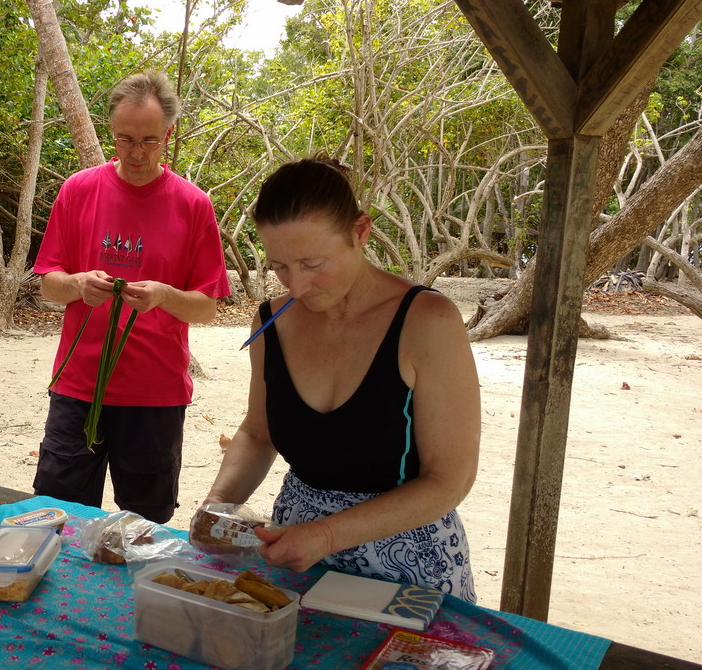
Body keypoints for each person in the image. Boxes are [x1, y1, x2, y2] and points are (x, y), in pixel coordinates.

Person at [201, 155, 480, 601]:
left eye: (312, 263)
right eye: (279, 267)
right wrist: (217, 507)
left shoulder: (428, 321)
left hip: (408, 557)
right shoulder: (270, 321)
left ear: (360, 232)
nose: (297, 287)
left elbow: (450, 481)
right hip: (295, 548)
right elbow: (257, 435)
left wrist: (327, 535)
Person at [32, 70, 231, 524]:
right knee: (55, 516)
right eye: (125, 140)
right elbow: (48, 284)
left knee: (143, 528)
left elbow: (206, 307)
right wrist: (79, 285)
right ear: (110, 132)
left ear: (168, 135)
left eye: (149, 141)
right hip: (77, 386)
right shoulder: (78, 190)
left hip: (154, 395)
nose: (137, 153)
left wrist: (164, 296)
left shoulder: (192, 204)